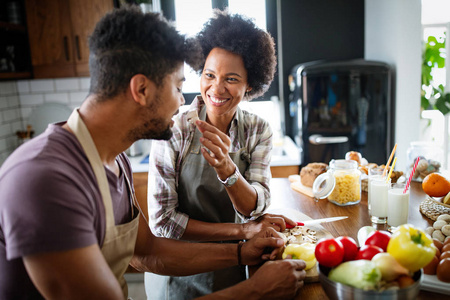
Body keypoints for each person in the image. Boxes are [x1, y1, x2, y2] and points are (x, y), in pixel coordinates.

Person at [0, 6, 306, 300]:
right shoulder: (44, 179)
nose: (180, 103)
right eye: (177, 86)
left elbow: (148, 252)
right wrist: (255, 291)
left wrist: (241, 251)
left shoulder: (114, 159)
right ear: (142, 90)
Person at [146, 9, 292, 299]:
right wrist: (241, 232)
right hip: (179, 274)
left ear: (250, 84)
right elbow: (163, 222)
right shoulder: (174, 129)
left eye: (232, 79)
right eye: (209, 75)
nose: (217, 88)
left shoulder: (257, 130)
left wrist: (228, 170)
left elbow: (256, 207)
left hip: (235, 271)